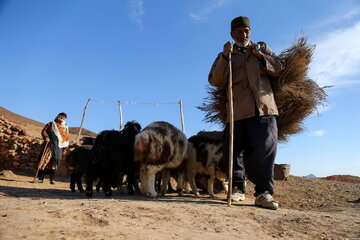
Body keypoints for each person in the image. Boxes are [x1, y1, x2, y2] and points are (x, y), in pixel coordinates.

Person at [208, 16, 284, 210]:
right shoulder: (225, 55)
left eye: (246, 31)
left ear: (250, 31)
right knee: (233, 152)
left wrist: (262, 58)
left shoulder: (262, 49)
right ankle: (237, 188)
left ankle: (263, 193)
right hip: (236, 111)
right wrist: (225, 57)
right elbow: (215, 80)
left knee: (265, 149)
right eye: (239, 31)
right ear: (232, 34)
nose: (243, 34)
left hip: (263, 109)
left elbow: (280, 68)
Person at [37, 112, 70, 184]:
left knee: (55, 162)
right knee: (44, 160)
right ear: (57, 116)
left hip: (59, 148)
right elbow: (44, 131)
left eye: (63, 117)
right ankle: (40, 178)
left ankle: (52, 179)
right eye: (60, 116)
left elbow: (66, 139)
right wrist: (46, 137)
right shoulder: (51, 124)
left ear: (65, 119)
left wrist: (65, 149)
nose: (61, 118)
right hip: (49, 145)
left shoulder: (65, 128)